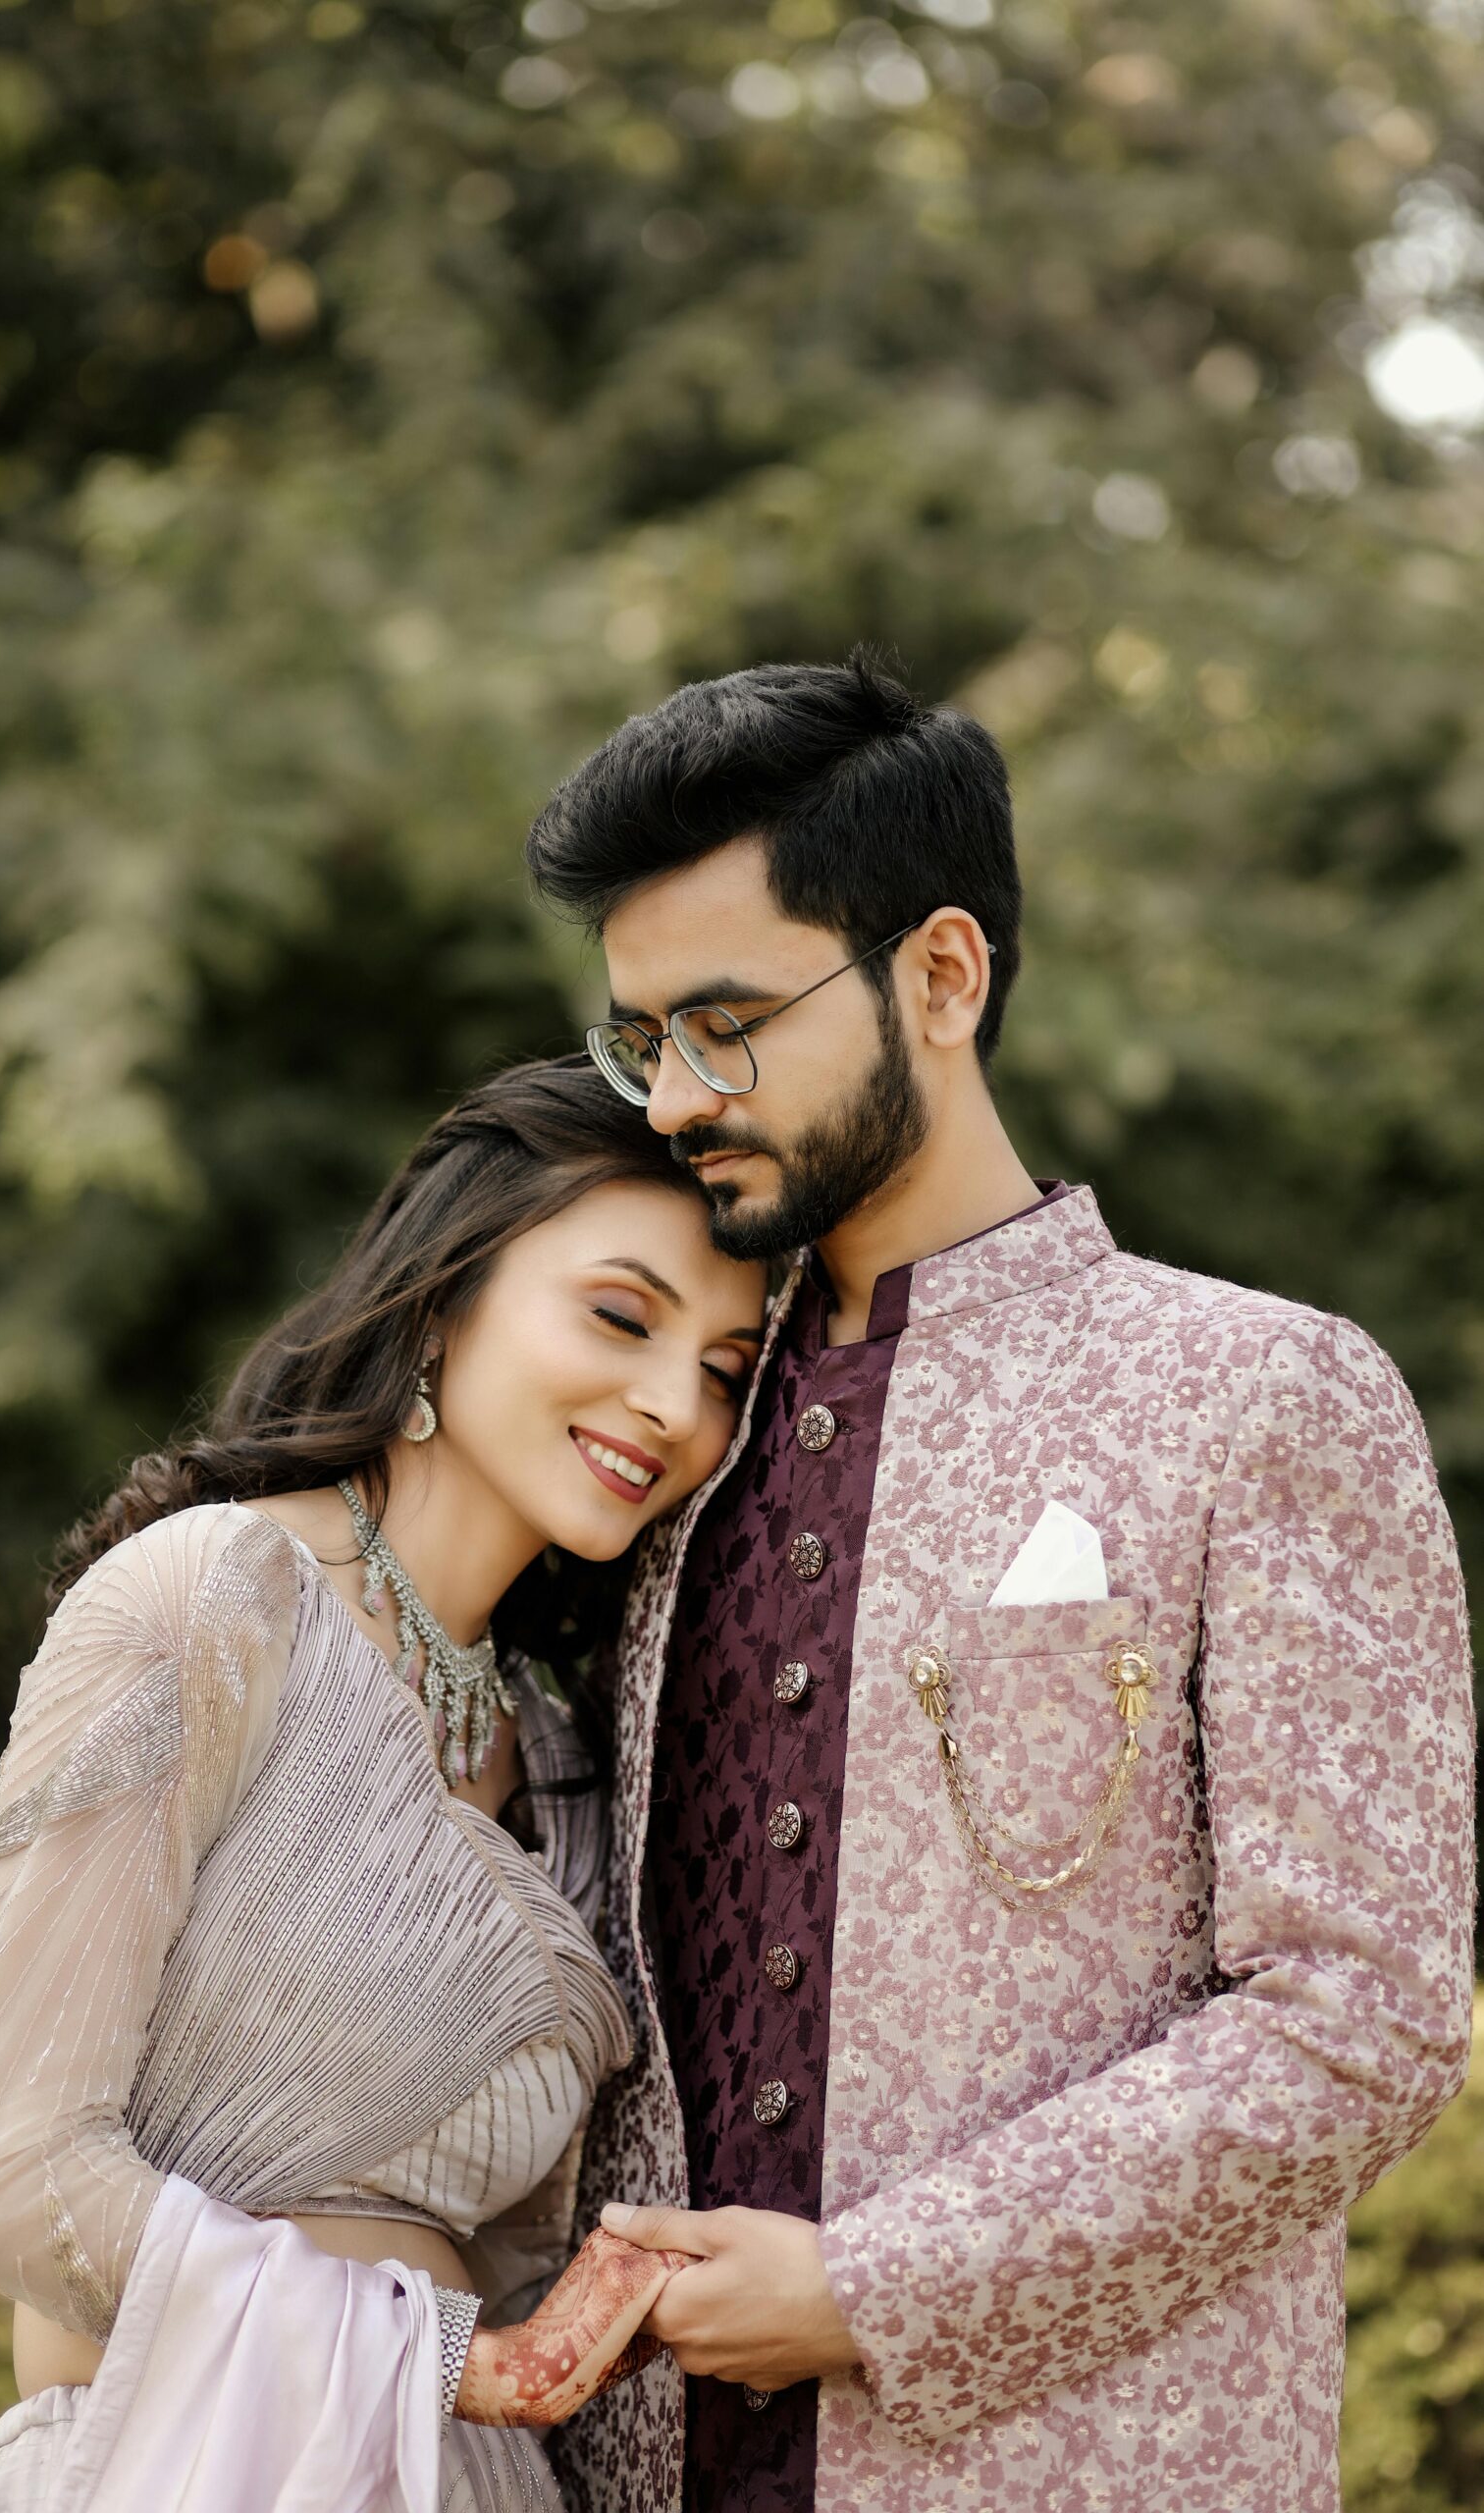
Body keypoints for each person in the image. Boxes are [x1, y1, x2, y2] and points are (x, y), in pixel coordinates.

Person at [524, 653, 1475, 2513]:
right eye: (643, 1040)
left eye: (728, 1024)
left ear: (942, 977)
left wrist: (878, 2288)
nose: (677, 1097)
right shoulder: (668, 1427)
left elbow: (1362, 2013)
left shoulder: (1253, 1394)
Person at [0, 1057, 768, 2513]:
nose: (667, 1404)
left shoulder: (562, 1754)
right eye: (622, 1316)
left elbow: (520, 2261)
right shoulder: (212, 1605)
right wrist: (447, 2362)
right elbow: (10, 2177)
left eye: (724, 1373)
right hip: (191, 2472)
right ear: (443, 1300)